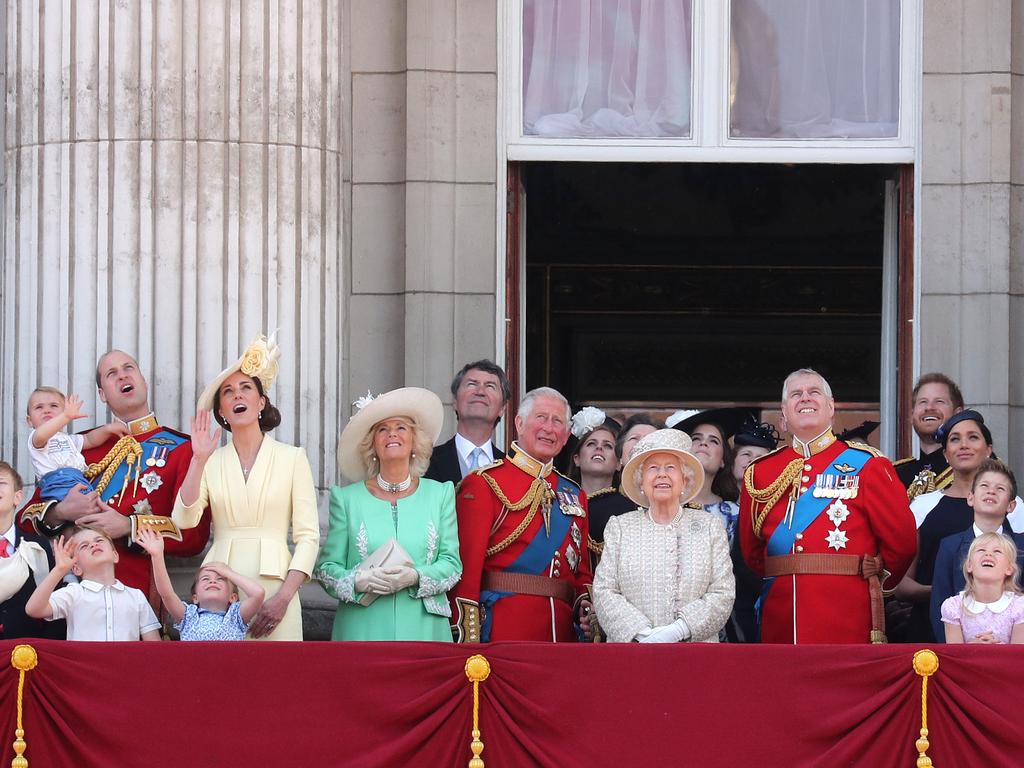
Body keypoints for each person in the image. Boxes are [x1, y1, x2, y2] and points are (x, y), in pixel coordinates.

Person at [739, 368, 917, 644]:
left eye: (814, 392)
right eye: (796, 395)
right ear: (783, 415)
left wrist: (872, 583)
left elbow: (902, 541)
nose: (805, 398)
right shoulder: (760, 472)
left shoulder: (868, 465)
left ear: (831, 407)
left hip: (846, 614)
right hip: (779, 615)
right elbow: (752, 552)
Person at [19, 350, 212, 599]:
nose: (122, 376)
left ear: (143, 381)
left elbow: (194, 536)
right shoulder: (78, 446)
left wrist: (130, 526)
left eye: (128, 368)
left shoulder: (183, 448)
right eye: (112, 374)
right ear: (102, 394)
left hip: (139, 594)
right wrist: (61, 512)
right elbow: (24, 522)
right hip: (71, 595)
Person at [172, 334, 320, 641]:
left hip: (277, 586)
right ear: (222, 412)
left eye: (245, 388)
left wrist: (284, 597)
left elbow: (308, 538)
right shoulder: (210, 461)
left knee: (279, 679)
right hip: (221, 590)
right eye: (228, 392)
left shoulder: (293, 458)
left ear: (261, 402)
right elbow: (184, 520)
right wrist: (198, 460)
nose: (237, 396)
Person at [315, 387, 462, 641]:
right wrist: (359, 581)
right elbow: (327, 570)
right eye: (382, 429)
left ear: (415, 441)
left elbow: (452, 566)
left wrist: (415, 576)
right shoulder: (346, 499)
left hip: (425, 631)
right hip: (362, 630)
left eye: (401, 427)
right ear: (373, 444)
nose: (392, 433)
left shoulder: (441, 494)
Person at [451, 387, 593, 642]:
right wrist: (466, 636)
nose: (549, 428)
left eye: (557, 421)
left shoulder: (575, 493)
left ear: (566, 435)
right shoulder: (484, 484)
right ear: (519, 423)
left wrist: (585, 604)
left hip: (562, 636)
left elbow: (581, 571)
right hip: (504, 630)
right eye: (541, 417)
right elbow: (467, 570)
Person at [592, 429, 735, 643]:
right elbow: (604, 591)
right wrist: (643, 635)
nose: (662, 474)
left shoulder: (709, 526)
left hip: (696, 657)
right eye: (652, 468)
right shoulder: (620, 527)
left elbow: (723, 593)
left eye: (671, 468)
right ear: (641, 482)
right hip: (633, 653)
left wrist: (678, 630)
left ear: (685, 480)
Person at [897, 411, 1024, 642]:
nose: (964, 445)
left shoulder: (1018, 524)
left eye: (973, 437)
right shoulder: (929, 515)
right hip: (943, 641)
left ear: (988, 448)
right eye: (955, 439)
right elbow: (909, 585)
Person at [929, 459, 1024, 641]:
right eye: (984, 486)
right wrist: (958, 650)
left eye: (1000, 489)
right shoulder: (949, 546)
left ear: (1011, 506)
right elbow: (938, 605)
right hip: (961, 653)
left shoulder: (1021, 546)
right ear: (970, 498)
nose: (991, 491)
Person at [25, 526, 161, 641]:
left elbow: (154, 646)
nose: (93, 544)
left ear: (115, 555)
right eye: (84, 546)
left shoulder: (136, 596)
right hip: (83, 671)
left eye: (99, 540)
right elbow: (33, 609)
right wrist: (59, 570)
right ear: (76, 567)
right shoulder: (73, 593)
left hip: (125, 670)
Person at [136, 527, 265, 641]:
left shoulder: (236, 616)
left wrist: (228, 572)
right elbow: (167, 595)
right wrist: (157, 555)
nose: (212, 581)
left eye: (221, 578)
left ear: (233, 597)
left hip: (229, 668)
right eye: (205, 579)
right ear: (195, 597)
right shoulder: (188, 616)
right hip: (195, 668)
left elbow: (258, 594)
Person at [726, 417, 780, 643]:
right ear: (732, 462)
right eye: (746, 455)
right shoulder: (716, 508)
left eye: (761, 457)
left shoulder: (779, 511)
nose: (752, 462)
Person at [586, 413, 660, 571]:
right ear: (619, 461)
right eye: (635, 438)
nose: (643, 444)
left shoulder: (685, 510)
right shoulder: (594, 508)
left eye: (651, 439)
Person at [24, 387, 126, 502]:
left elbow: (89, 439)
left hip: (79, 480)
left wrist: (108, 429)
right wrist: (65, 417)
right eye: (39, 407)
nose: (47, 410)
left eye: (54, 406)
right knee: (83, 509)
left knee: (94, 508)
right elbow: (42, 434)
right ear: (30, 421)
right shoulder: (36, 438)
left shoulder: (67, 439)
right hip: (57, 483)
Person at [0, 461, 62, 640]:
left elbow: (55, 603)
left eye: (1, 483)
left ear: (17, 497)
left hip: (30, 654)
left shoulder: (39, 546)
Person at [425, 360, 510, 485]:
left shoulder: (511, 469)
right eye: (471, 384)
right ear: (455, 402)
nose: (480, 392)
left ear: (502, 408)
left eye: (490, 386)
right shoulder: (425, 462)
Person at [672, 408, 751, 543]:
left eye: (714, 441)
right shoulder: (660, 506)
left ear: (722, 460)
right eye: (696, 438)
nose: (703, 443)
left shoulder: (737, 515)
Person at [940, 532, 1024, 644]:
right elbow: (955, 657)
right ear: (969, 565)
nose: (988, 554)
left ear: (1009, 569)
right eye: (981, 550)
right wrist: (972, 647)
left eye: (997, 551)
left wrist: (998, 648)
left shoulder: (1019, 607)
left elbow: (1018, 657)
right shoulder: (954, 607)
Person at [894, 373, 963, 500]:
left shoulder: (971, 471)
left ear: (957, 414)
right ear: (911, 414)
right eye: (923, 402)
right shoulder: (895, 474)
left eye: (939, 402)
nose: (929, 407)